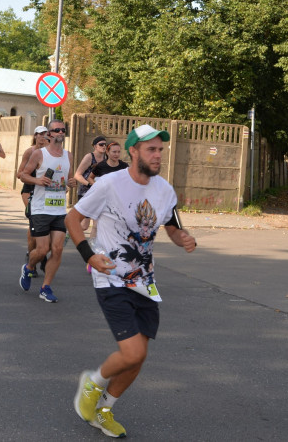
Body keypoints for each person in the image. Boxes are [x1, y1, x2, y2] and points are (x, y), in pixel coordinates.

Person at [65, 124, 197, 438]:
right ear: (133, 151)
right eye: (151, 149)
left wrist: (185, 239)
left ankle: (104, 409)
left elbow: (174, 228)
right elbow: (72, 218)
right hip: (110, 277)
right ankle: (92, 383)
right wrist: (88, 255)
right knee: (132, 353)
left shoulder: (164, 190)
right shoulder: (109, 184)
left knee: (139, 357)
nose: (158, 155)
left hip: (145, 282)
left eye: (160, 150)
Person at [17, 118, 77, 303]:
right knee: (42, 250)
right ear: (49, 134)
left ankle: (46, 287)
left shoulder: (68, 155)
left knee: (57, 249)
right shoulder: (38, 154)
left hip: (59, 209)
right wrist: (38, 181)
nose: (60, 133)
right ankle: (28, 267)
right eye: (56, 130)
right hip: (40, 208)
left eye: (63, 130)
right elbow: (22, 175)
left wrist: (71, 183)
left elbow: (68, 179)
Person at [19, 126, 50, 274]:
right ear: (35, 136)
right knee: (34, 225)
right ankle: (33, 256)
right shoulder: (30, 152)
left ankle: (39, 254)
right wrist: (35, 179)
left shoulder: (52, 154)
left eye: (46, 135)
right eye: (40, 135)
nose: (43, 137)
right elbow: (19, 173)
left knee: (47, 228)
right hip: (29, 191)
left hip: (46, 193)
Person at [74, 136, 108, 200]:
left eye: (105, 144)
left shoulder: (106, 158)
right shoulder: (89, 157)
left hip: (99, 193)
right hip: (86, 192)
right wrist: (89, 184)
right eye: (101, 144)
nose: (104, 146)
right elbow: (77, 175)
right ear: (95, 146)